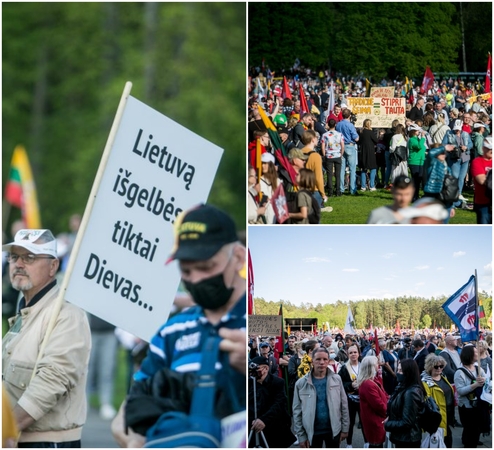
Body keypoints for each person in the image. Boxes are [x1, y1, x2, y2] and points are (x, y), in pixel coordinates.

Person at [111, 204, 246, 447]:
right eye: (185, 270)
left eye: (206, 267)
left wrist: (253, 367)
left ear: (237, 257)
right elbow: (133, 406)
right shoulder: (171, 331)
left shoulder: (257, 320)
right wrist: (130, 432)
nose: (195, 279)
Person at [2, 229, 91, 447]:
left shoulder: (67, 315)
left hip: (45, 443)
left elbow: (50, 383)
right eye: (14, 257)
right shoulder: (25, 311)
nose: (19, 264)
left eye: (29, 257)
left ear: (53, 266)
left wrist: (7, 429)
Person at [293, 347, 350, 448]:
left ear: (328, 361)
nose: (322, 362)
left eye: (325, 359)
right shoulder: (301, 384)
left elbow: (344, 404)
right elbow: (297, 411)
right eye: (318, 359)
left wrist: (345, 428)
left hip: (333, 430)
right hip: (312, 432)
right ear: (312, 361)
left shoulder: (337, 379)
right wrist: (301, 436)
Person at [248, 356, 296, 448]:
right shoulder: (249, 383)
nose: (253, 372)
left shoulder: (277, 382)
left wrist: (264, 420)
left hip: (274, 426)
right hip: (253, 425)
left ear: (266, 368)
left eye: (257, 368)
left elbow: (279, 403)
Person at [384, 359, 424, 448]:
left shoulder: (411, 392)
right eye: (398, 370)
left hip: (408, 440)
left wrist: (388, 424)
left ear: (409, 373)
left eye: (401, 370)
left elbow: (407, 422)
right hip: (402, 438)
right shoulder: (402, 386)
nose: (398, 373)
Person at [454, 345, 487, 448]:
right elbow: (460, 391)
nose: (477, 354)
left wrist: (484, 380)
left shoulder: (478, 368)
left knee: (476, 428)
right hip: (466, 407)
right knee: (470, 429)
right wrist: (475, 385)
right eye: (475, 353)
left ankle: (471, 440)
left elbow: (486, 379)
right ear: (469, 355)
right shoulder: (459, 372)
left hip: (478, 404)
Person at [86, 315, 118, 420]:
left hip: (109, 331)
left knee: (107, 369)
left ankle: (106, 403)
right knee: (87, 369)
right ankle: (83, 401)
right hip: (89, 330)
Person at [421, 353, 455, 448]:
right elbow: (427, 402)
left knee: (448, 441)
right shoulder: (426, 382)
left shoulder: (443, 377)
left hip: (448, 415)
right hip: (437, 418)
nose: (439, 368)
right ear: (430, 367)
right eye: (436, 366)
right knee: (439, 444)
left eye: (441, 366)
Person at [338, 344, 366, 448]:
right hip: (350, 399)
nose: (353, 354)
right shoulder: (344, 368)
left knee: (364, 421)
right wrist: (350, 385)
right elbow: (340, 383)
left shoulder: (363, 365)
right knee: (350, 422)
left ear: (359, 353)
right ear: (347, 354)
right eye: (351, 353)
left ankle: (367, 442)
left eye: (355, 352)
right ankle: (349, 444)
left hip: (364, 399)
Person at [357, 355, 388, 448]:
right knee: (376, 445)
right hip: (375, 421)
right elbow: (378, 405)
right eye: (376, 364)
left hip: (377, 419)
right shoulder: (368, 384)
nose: (378, 366)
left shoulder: (372, 380)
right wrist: (388, 412)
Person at [443, 119, 473, 208]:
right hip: (454, 159)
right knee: (454, 178)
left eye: (458, 129)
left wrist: (466, 147)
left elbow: (471, 144)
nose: (457, 130)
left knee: (461, 178)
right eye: (456, 129)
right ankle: (452, 196)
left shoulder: (466, 134)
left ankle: (458, 195)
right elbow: (443, 144)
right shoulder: (449, 134)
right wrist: (452, 147)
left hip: (465, 158)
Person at [336, 108, 360, 195]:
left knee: (342, 169)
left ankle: (341, 189)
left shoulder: (338, 124)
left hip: (341, 146)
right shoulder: (350, 125)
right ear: (349, 116)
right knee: (352, 169)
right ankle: (352, 189)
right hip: (350, 146)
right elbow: (356, 138)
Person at [471, 136, 492, 224]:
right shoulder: (477, 161)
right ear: (483, 148)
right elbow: (482, 180)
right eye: (489, 148)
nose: (492, 151)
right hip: (483, 202)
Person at [321, 119, 345, 197]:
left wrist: (324, 155)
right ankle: (338, 191)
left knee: (329, 174)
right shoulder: (339, 134)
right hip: (337, 155)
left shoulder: (325, 135)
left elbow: (323, 146)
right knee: (338, 174)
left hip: (329, 155)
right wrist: (341, 154)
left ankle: (330, 191)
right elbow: (342, 145)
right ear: (335, 125)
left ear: (328, 124)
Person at [259, 152, 281, 224]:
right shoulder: (258, 181)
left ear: (271, 165)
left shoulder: (278, 182)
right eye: (262, 163)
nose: (263, 166)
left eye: (265, 163)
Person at [407, 124, 427, 201]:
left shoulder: (417, 139)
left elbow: (422, 148)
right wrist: (422, 138)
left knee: (418, 180)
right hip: (414, 162)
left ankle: (416, 196)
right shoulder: (412, 140)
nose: (419, 131)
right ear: (414, 132)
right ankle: (413, 197)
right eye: (418, 130)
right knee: (415, 181)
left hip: (420, 161)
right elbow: (419, 146)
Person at [358, 119, 379, 191]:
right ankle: (372, 185)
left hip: (363, 151)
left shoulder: (361, 132)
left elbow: (359, 141)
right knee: (373, 168)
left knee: (363, 169)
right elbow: (376, 140)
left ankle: (363, 186)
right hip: (370, 151)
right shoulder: (370, 132)